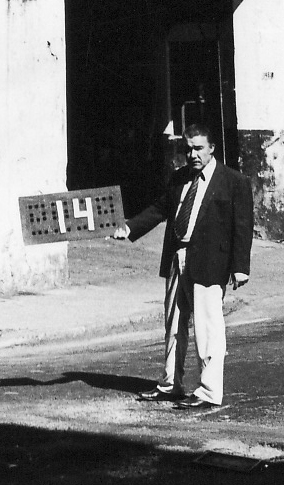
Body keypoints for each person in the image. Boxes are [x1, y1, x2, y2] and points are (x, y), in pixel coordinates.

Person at [111, 121, 252, 412]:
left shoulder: (233, 181)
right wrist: (130, 227)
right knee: (174, 324)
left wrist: (240, 267)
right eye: (188, 149)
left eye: (199, 149)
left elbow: (242, 226)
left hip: (210, 262)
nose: (193, 155)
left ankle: (209, 391)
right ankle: (170, 384)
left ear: (212, 148)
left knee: (208, 327)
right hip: (178, 257)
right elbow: (159, 209)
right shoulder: (179, 179)